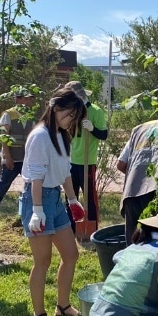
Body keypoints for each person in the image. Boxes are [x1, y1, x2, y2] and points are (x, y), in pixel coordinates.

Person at [21, 86, 87, 316]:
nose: (72, 122)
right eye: (71, 116)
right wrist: (37, 210)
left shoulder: (61, 135)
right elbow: (36, 177)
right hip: (36, 198)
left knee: (71, 255)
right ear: (56, 108)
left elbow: (65, 172)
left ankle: (63, 305)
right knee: (43, 261)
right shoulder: (40, 136)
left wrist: (72, 200)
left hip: (56, 200)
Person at [65, 80, 108, 232]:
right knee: (71, 197)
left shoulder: (96, 111)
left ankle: (92, 228)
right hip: (71, 161)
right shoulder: (72, 112)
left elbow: (104, 135)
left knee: (90, 198)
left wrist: (92, 128)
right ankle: (71, 228)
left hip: (87, 162)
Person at [0, 86, 37, 208]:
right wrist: (7, 156)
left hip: (26, 159)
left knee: (31, 186)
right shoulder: (8, 114)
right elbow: (4, 136)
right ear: (18, 99)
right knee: (3, 185)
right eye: (27, 98)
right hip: (12, 159)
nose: (30, 101)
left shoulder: (30, 115)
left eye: (30, 99)